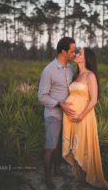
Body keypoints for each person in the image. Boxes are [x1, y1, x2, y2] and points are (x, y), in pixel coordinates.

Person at [62, 48, 108, 189]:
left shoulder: (90, 76)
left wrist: (81, 116)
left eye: (80, 53)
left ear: (86, 58)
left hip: (83, 117)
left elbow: (94, 100)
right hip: (71, 118)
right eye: (77, 53)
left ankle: (84, 182)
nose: (76, 54)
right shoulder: (76, 75)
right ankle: (80, 178)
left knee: (83, 146)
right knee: (75, 145)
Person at [38, 37, 77, 189]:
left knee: (60, 145)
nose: (74, 54)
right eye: (72, 51)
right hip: (53, 115)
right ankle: (48, 179)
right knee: (50, 146)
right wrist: (59, 104)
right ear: (63, 51)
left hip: (68, 116)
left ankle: (58, 170)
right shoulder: (49, 70)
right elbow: (41, 96)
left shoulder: (70, 68)